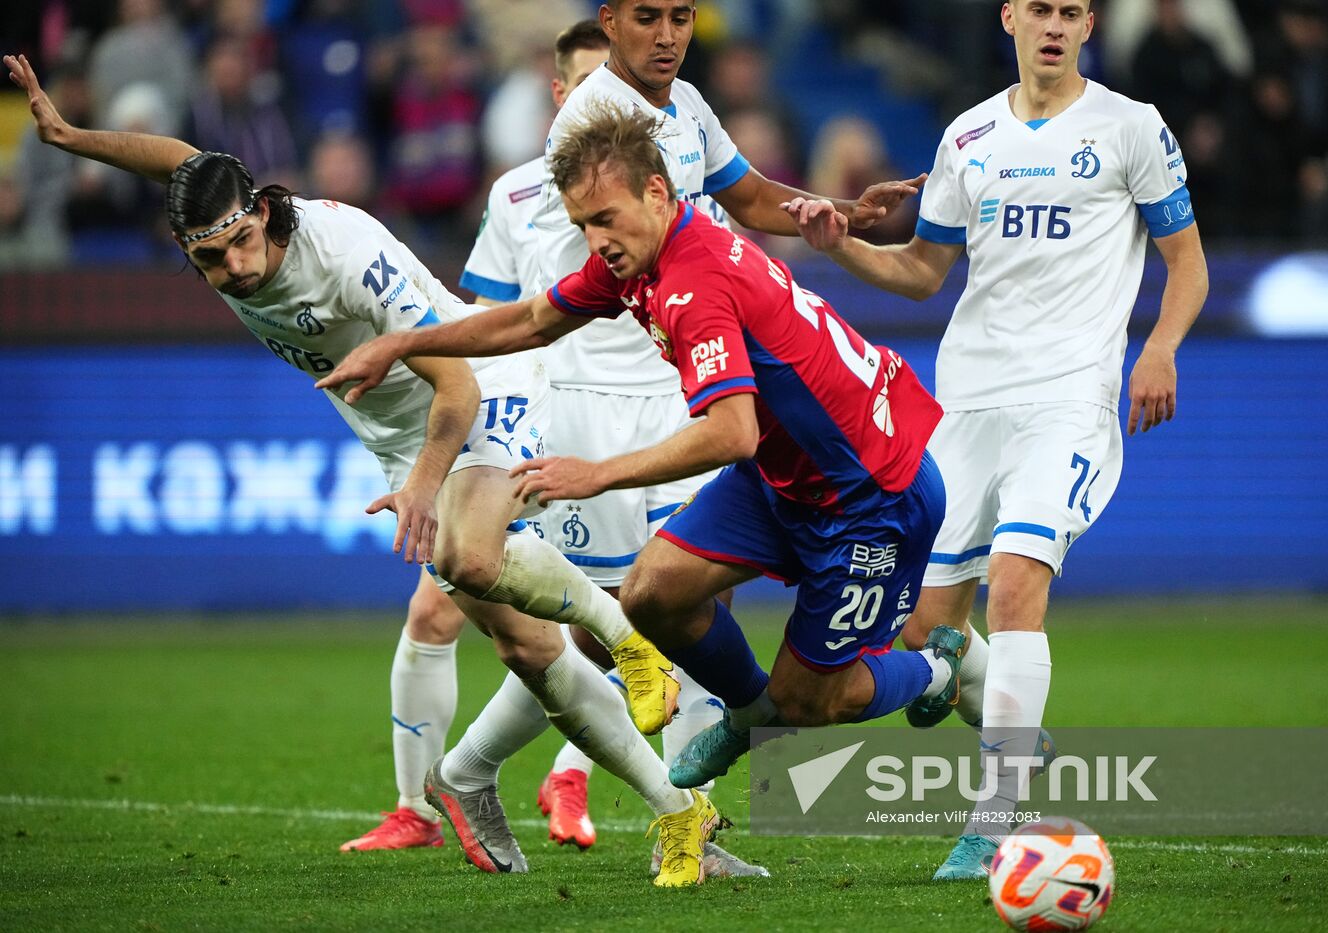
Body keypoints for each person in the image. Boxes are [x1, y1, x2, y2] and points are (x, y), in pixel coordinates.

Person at [5, 51, 720, 889]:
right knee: (527, 648)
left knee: (468, 555)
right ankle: (654, 806)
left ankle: (628, 642)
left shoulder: (340, 256)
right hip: (399, 437)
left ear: (263, 211)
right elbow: (178, 160)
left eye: (242, 243)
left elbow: (454, 385)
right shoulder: (218, 209)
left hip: (479, 391)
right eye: (212, 260)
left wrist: (422, 484)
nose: (236, 269)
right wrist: (70, 136)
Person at [374, 0, 924, 874]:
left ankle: (688, 817)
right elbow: (528, 313)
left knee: (674, 619)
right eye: (646, 18)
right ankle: (485, 769)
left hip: (704, 400)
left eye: (679, 17)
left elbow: (749, 197)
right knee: (611, 628)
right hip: (604, 401)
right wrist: (416, 344)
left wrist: (837, 213)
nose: (667, 36)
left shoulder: (686, 111)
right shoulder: (597, 133)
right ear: (609, 24)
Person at [783, 0, 1209, 880]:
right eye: (1039, 8)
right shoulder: (969, 135)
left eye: (1071, 11)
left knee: (1015, 586)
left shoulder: (1131, 127)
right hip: (969, 403)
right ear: (1010, 17)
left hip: (1068, 401)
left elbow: (1188, 262)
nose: (1054, 25)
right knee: (920, 626)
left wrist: (1160, 348)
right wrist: (840, 244)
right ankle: (1019, 730)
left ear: (1088, 26)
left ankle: (993, 821)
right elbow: (923, 271)